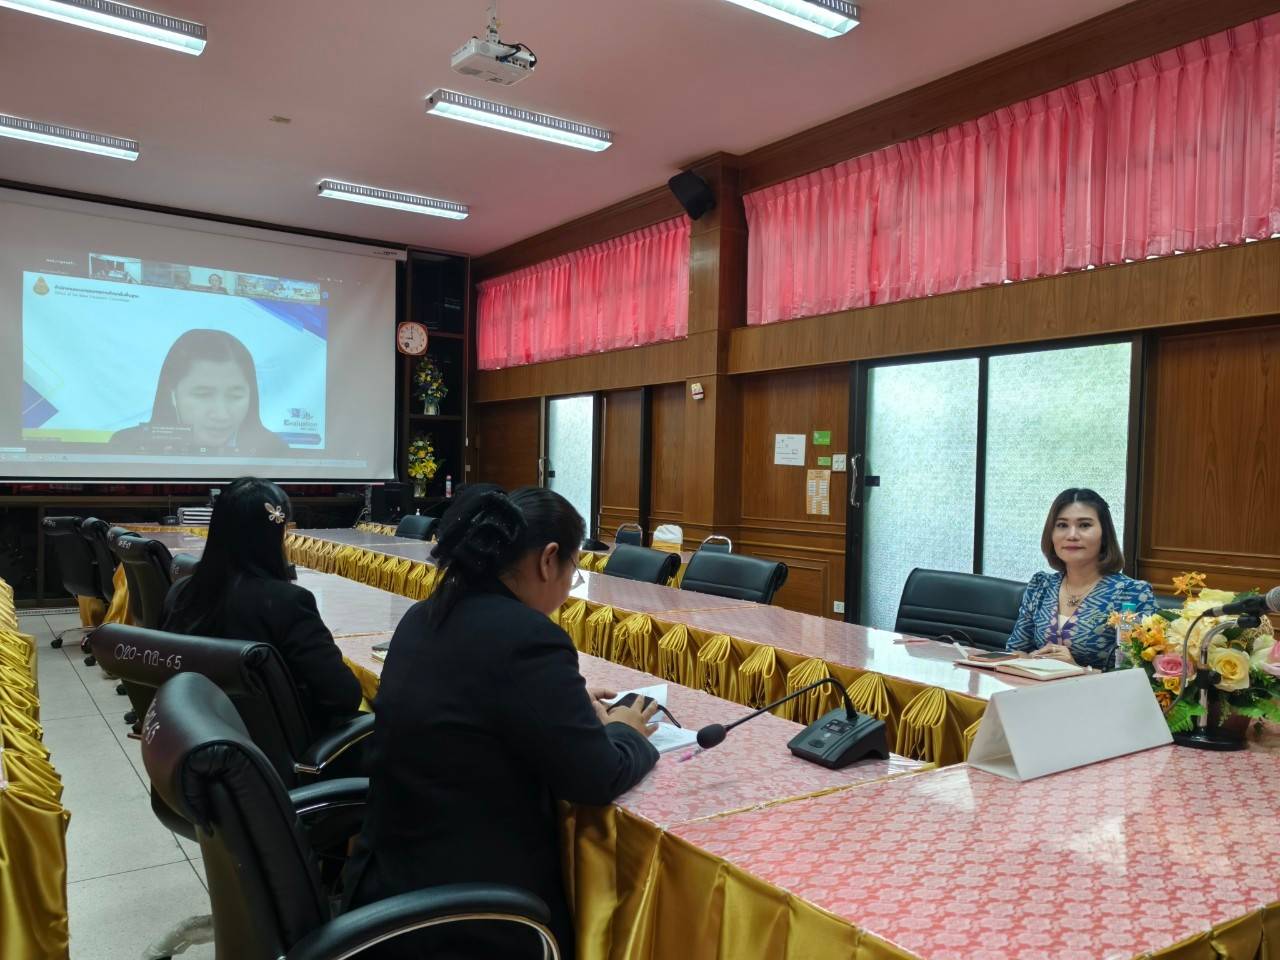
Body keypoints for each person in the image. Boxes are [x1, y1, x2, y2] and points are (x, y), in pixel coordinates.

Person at [343, 487, 659, 959]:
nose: (570, 584)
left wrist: (565, 701)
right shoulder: (530, 638)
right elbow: (596, 776)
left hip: (390, 876)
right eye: (574, 569)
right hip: (473, 916)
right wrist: (623, 729)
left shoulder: (424, 615)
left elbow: (477, 701)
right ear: (549, 559)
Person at [162, 477, 361, 733]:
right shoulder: (287, 603)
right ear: (277, 534)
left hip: (200, 737)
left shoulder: (182, 592)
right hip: (282, 753)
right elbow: (343, 695)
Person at [1006, 487, 1156, 668]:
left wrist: (1076, 669)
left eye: (1084, 525)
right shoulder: (1041, 586)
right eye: (1062, 525)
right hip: (1035, 691)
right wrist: (1029, 659)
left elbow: (1137, 673)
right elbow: (1014, 650)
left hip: (1099, 696)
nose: (1072, 535)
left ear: (1104, 535)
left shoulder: (1131, 594)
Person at [109, 329, 290, 456]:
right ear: (172, 394)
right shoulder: (126, 444)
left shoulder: (275, 450)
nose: (221, 414)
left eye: (235, 396)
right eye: (203, 395)